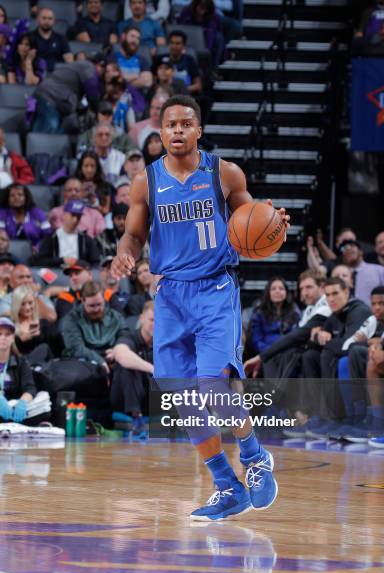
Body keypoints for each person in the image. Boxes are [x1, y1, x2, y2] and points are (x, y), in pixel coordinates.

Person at [111, 94, 289, 521]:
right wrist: (126, 252)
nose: (176, 131)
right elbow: (133, 235)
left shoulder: (224, 173)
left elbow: (250, 219)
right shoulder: (145, 181)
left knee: (212, 385)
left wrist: (272, 221)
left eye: (184, 124)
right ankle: (227, 487)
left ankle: (256, 457)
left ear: (198, 130)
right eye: (169, 124)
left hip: (214, 291)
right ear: (160, 131)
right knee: (183, 398)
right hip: (170, 294)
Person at [301, 276, 371, 438]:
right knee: (309, 356)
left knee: (337, 358)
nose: (331, 299)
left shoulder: (359, 311)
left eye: (335, 293)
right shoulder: (335, 315)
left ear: (346, 292)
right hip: (349, 357)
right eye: (328, 295)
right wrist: (318, 334)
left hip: (364, 358)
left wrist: (327, 339)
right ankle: (322, 416)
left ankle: (348, 419)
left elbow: (349, 345)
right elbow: (313, 344)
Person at [339, 286, 384, 444]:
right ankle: (375, 421)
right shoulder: (372, 320)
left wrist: (382, 349)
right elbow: (348, 344)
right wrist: (371, 344)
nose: (377, 307)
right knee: (364, 361)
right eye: (373, 304)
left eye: (382, 303)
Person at [61, 280, 128, 375]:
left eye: (99, 304)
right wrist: (99, 360)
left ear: (104, 299)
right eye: (92, 306)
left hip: (113, 356)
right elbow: (76, 348)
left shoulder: (116, 317)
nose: (96, 309)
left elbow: (125, 336)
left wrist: (117, 350)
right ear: (83, 301)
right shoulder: (71, 319)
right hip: (84, 362)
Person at [112, 300, 154, 430]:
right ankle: (136, 416)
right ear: (141, 319)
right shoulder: (130, 336)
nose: (156, 324)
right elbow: (120, 354)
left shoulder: (166, 344)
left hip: (151, 396)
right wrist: (153, 369)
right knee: (126, 366)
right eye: (152, 320)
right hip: (125, 397)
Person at [29, 200, 101, 268]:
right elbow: (39, 261)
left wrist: (79, 263)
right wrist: (62, 261)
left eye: (78, 217)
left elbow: (95, 263)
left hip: (79, 274)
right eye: (73, 215)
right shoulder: (51, 238)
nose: (76, 220)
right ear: (64, 215)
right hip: (57, 275)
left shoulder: (86, 240)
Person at [247, 276, 300, 355]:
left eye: (281, 288)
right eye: (273, 289)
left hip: (287, 353)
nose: (277, 291)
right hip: (266, 353)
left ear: (286, 293)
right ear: (268, 293)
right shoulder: (259, 314)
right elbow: (257, 341)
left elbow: (294, 337)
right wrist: (271, 351)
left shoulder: (294, 312)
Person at [339, 239, 384, 306]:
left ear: (361, 252)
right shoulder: (339, 275)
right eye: (343, 248)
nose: (348, 249)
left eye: (352, 246)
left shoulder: (378, 270)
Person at [11, 284, 62, 363]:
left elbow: (58, 349)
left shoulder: (44, 324)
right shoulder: (9, 326)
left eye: (30, 303)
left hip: (44, 367)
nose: (27, 307)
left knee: (44, 347)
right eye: (23, 304)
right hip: (20, 366)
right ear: (16, 305)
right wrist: (20, 340)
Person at [0, 317, 37, 425]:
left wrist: (23, 402)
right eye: (0, 334)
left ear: (13, 338)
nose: (3, 337)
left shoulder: (21, 362)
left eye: (7, 334)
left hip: (13, 412)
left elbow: (30, 388)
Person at [0, 183, 52, 250]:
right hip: (7, 252)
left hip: (36, 253)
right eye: (12, 195)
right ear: (7, 199)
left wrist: (37, 248)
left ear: (26, 197)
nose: (16, 197)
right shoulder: (2, 213)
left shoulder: (37, 213)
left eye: (20, 194)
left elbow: (48, 236)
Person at [29, 8, 73, 72]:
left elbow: (69, 60)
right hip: (36, 73)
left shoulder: (61, 38)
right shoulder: (29, 37)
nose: (47, 21)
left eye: (50, 19)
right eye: (44, 18)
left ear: (54, 21)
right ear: (37, 19)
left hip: (57, 73)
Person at [112, 25, 152, 89]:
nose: (135, 41)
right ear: (123, 37)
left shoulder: (142, 60)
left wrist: (123, 81)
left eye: (138, 38)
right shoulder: (113, 57)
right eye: (132, 36)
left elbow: (147, 81)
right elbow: (113, 79)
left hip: (137, 97)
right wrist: (136, 76)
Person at [75, 151, 112, 216]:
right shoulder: (74, 185)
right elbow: (67, 207)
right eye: (86, 166)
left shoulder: (105, 186)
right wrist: (81, 196)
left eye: (92, 166)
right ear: (81, 167)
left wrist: (94, 202)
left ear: (97, 168)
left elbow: (106, 211)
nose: (89, 170)